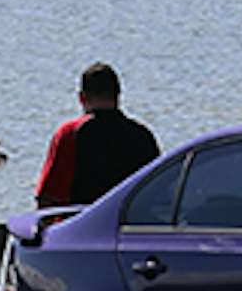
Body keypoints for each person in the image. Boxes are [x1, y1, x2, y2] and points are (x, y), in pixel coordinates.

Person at [34, 62, 159, 207]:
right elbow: (158, 194)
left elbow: (48, 196)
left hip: (84, 224)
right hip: (129, 225)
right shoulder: (143, 136)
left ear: (81, 98)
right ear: (118, 96)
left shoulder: (70, 133)